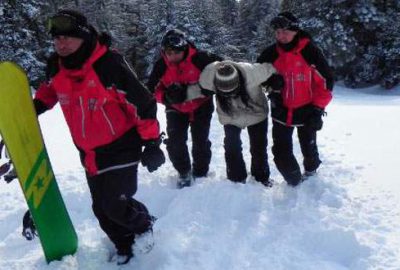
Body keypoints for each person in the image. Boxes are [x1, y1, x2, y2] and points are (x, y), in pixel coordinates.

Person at [33, 10, 165, 265]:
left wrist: (151, 143)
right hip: (88, 151)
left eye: (67, 38)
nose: (61, 44)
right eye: (57, 38)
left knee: (114, 205)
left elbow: (143, 103)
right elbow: (51, 90)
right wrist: (37, 106)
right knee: (101, 208)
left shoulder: (108, 65)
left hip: (121, 145)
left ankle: (144, 225)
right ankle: (124, 244)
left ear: (83, 37)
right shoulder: (56, 65)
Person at [257, 12, 334, 186]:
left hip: (307, 108)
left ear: (295, 31)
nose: (281, 36)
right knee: (280, 150)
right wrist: (270, 81)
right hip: (281, 108)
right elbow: (257, 74)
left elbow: (325, 81)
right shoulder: (270, 53)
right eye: (277, 32)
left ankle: (311, 171)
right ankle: (294, 182)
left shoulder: (310, 51)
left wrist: (318, 109)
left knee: (309, 146)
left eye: (285, 31)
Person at [147, 29, 222, 188]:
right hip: (175, 108)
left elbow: (225, 69)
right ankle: (184, 171)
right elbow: (150, 91)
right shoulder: (161, 65)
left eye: (176, 52)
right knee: (175, 142)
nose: (173, 56)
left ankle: (201, 172)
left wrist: (210, 86)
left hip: (201, 104)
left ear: (185, 48)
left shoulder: (200, 58)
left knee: (200, 141)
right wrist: (166, 97)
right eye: (169, 52)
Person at [199, 60, 284, 187]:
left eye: (233, 90)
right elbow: (196, 87)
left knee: (258, 147)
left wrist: (273, 83)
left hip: (256, 113)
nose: (230, 95)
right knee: (231, 146)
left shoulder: (253, 72)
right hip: (230, 116)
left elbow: (274, 68)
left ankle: (261, 177)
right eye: (225, 93)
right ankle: (235, 177)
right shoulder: (208, 79)